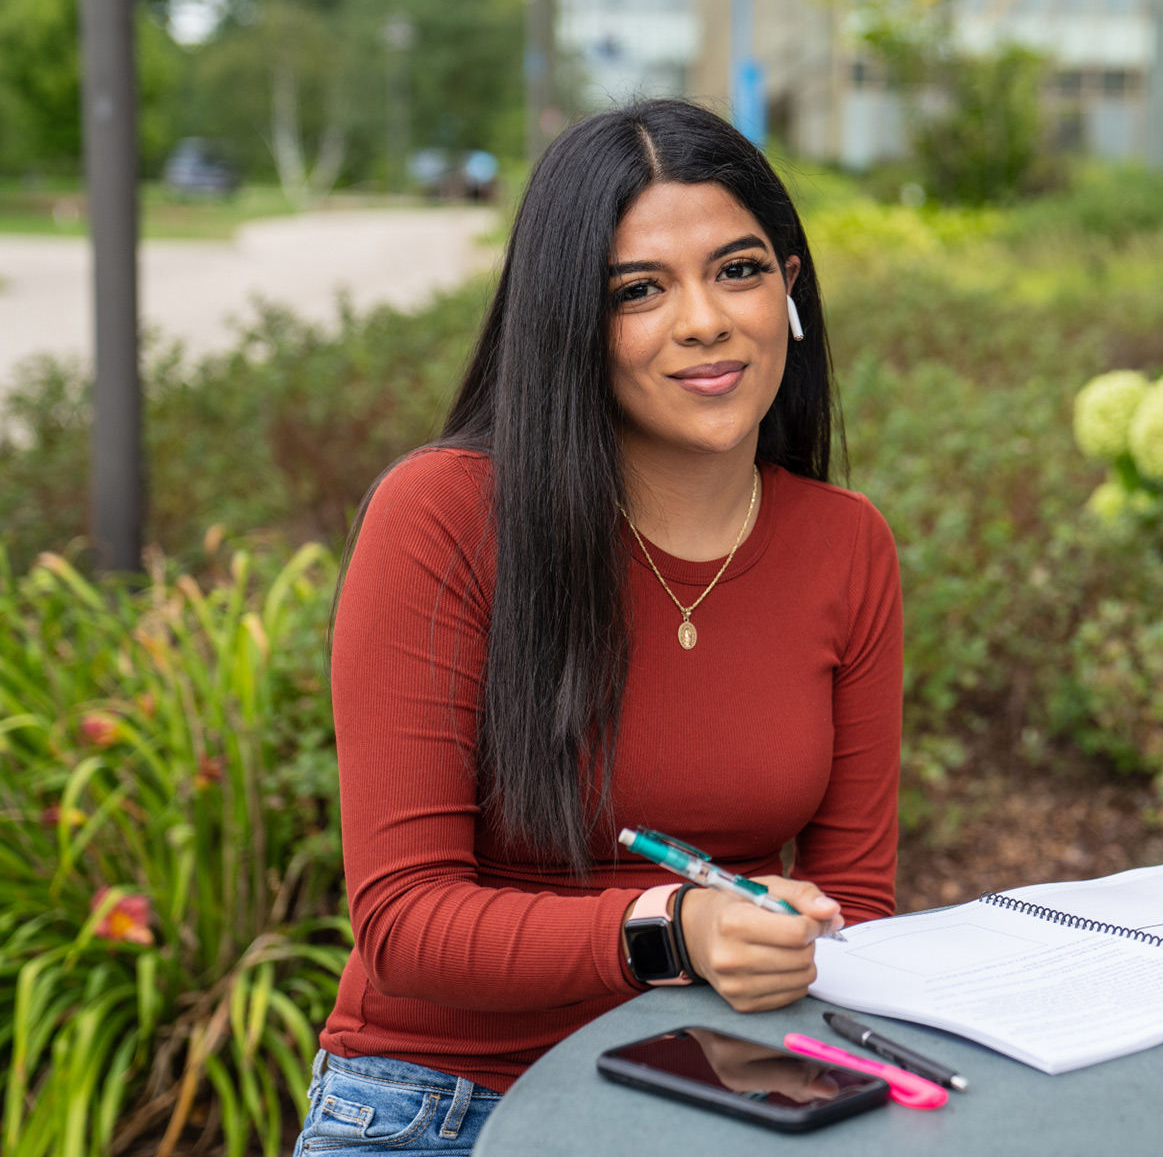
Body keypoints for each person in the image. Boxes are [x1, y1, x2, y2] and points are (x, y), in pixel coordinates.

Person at [292, 101, 903, 1155]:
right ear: (570, 321)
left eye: (739, 269)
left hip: (719, 1093)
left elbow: (854, 901)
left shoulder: (847, 544)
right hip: (444, 1105)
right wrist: (674, 927)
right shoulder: (442, 516)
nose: (705, 319)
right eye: (639, 290)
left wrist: (787, 943)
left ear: (790, 291)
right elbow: (404, 920)